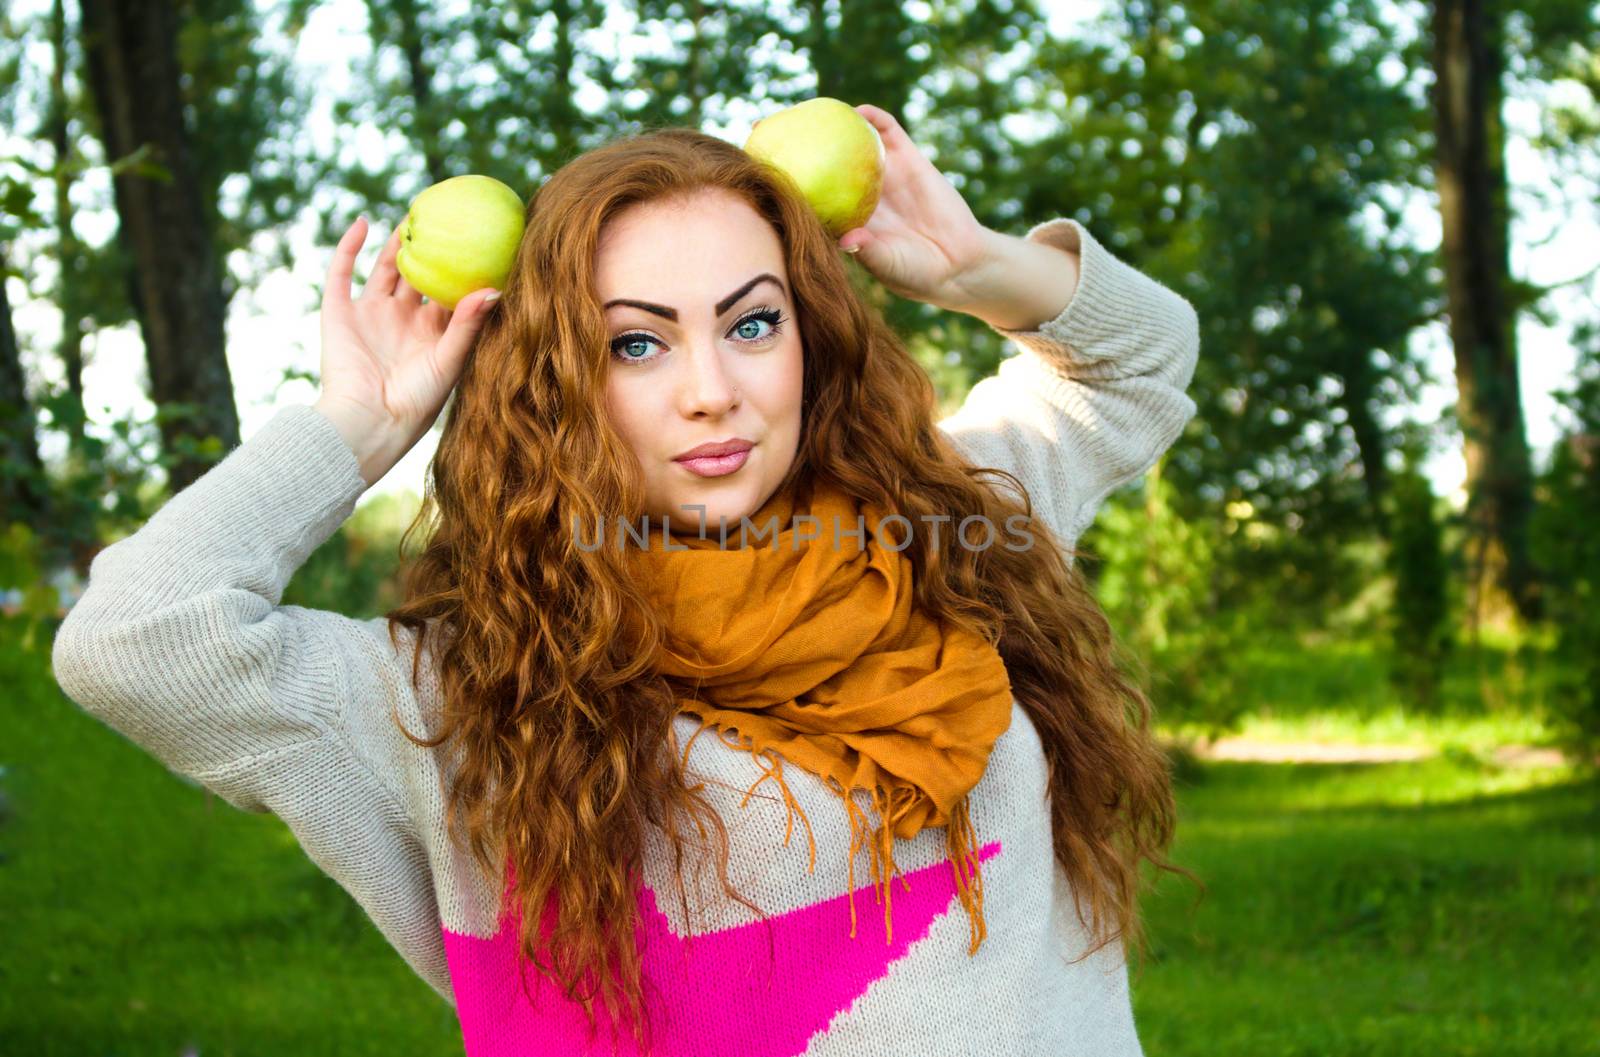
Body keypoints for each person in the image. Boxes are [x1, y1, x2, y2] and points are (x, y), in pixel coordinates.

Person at [52, 104, 1200, 1056]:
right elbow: (138, 637)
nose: (713, 390)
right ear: (555, 379)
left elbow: (1140, 358)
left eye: (753, 324)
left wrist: (970, 264)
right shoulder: (456, 697)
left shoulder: (940, 519)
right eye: (635, 343)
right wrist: (362, 424)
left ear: (811, 336)